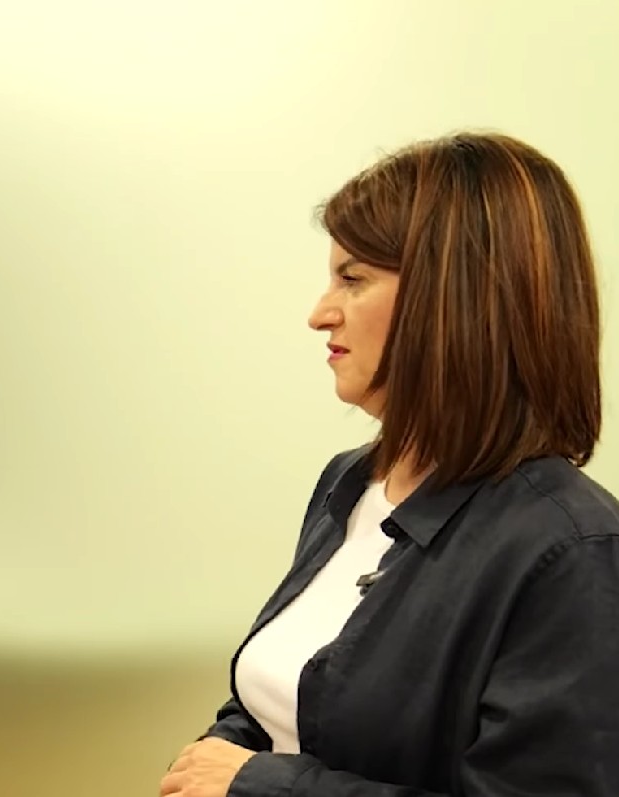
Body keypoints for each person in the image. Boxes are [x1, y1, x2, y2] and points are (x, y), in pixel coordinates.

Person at [160, 132, 619, 797]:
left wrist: (260, 784)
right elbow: (281, 695)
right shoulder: (349, 483)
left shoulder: (570, 550)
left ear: (455, 297)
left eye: (352, 279)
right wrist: (216, 755)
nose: (319, 314)